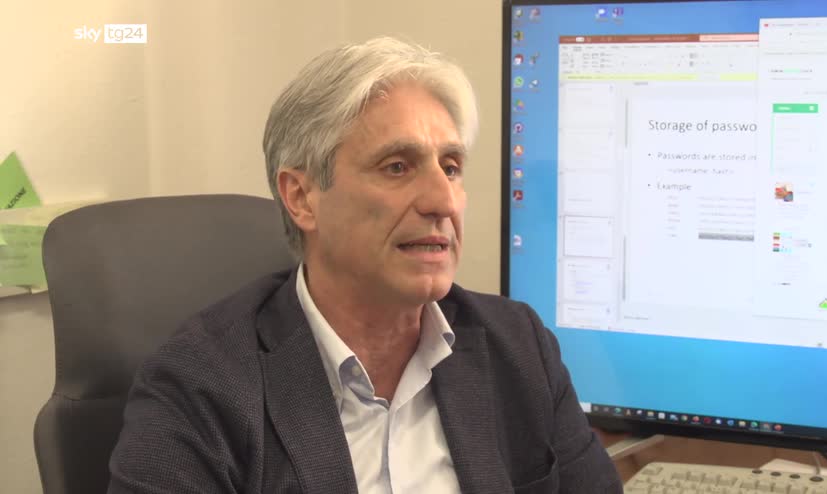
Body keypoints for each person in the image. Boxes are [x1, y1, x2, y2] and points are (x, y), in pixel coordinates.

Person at [107, 37, 622, 494]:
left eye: (451, 167)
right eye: (397, 167)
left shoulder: (520, 346)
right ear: (301, 197)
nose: (443, 201)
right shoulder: (201, 385)